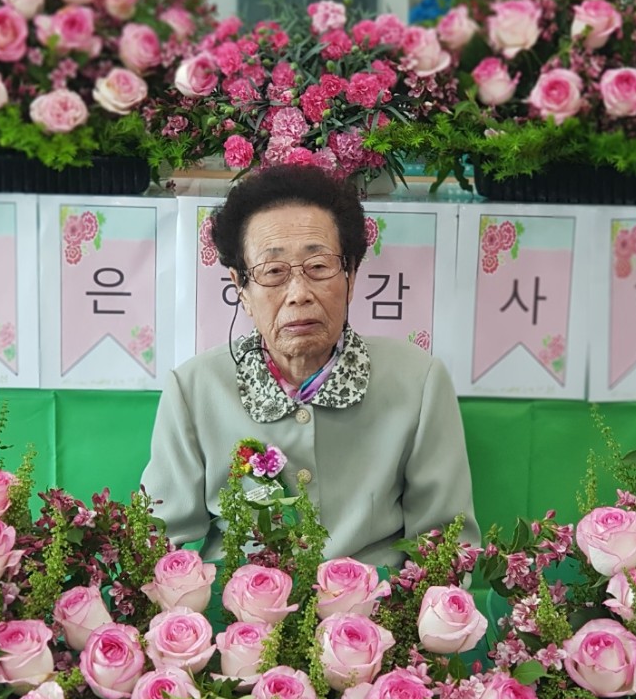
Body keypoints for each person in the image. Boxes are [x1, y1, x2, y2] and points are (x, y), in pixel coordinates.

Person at [141, 164, 480, 565]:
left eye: (319, 267)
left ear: (351, 275)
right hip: (237, 601)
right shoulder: (194, 389)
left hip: (377, 600)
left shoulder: (418, 381)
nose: (298, 293)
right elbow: (157, 544)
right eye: (273, 272)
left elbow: (445, 545)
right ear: (240, 288)